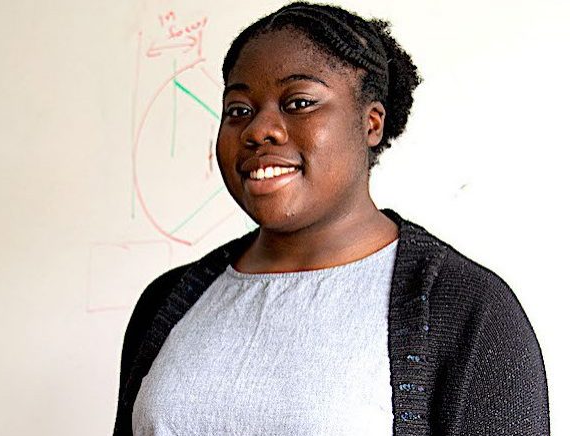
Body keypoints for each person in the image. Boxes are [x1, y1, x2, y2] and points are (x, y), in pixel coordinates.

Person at [114, 2, 549, 435]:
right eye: (239, 110)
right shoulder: (167, 302)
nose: (258, 130)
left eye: (298, 102)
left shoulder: (470, 309)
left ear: (371, 123)